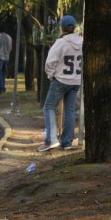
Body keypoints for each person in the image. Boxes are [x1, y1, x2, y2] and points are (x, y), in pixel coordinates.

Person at [38, 15, 83, 152]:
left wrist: (51, 75)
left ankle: (51, 139)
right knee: (70, 111)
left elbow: (49, 63)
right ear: (74, 27)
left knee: (49, 107)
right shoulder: (82, 41)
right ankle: (67, 142)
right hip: (76, 80)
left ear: (62, 28)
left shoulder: (61, 43)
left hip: (61, 80)